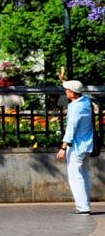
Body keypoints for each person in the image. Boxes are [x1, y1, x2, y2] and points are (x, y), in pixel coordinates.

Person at [57, 80, 94, 215]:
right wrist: (63, 79)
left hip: (77, 147)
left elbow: (71, 129)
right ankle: (85, 205)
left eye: (67, 90)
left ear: (72, 93)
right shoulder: (86, 101)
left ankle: (83, 208)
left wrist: (63, 148)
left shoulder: (75, 107)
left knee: (75, 177)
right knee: (84, 175)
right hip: (88, 145)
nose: (65, 92)